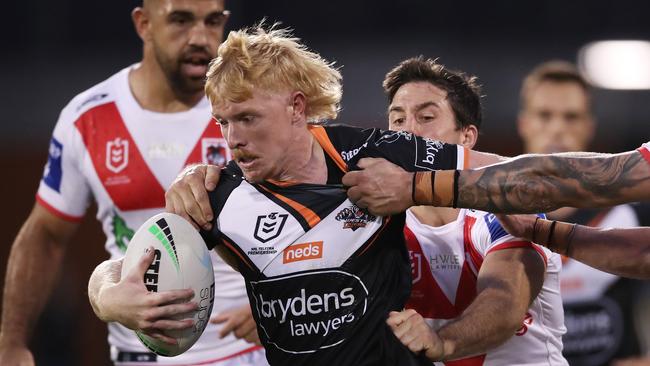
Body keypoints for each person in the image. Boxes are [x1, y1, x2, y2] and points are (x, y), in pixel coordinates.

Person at [90, 25, 503, 366]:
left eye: (248, 118)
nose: (233, 139)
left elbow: (509, 172)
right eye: (223, 122)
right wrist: (112, 299)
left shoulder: (371, 156)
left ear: (296, 107)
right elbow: (121, 267)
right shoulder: (220, 195)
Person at [0, 1, 266, 365]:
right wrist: (11, 343)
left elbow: (317, 211)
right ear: (144, 24)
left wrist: (286, 293)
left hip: (245, 353)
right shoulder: (88, 118)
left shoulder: (256, 109)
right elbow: (45, 234)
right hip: (136, 354)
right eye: (181, 20)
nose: (201, 37)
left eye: (213, 21)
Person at [380, 57, 566, 364]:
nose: (407, 132)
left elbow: (504, 302)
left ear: (466, 139)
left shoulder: (506, 208)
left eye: (426, 117)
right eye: (398, 120)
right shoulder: (375, 225)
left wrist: (442, 343)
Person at [514, 60, 650, 366]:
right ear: (524, 123)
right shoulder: (489, 220)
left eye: (571, 116)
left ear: (589, 126)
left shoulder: (631, 215)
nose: (558, 128)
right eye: (545, 115)